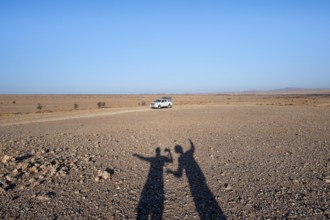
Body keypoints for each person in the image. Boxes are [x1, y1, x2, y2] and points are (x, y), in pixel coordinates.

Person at [167, 139, 226, 220]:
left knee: (200, 201)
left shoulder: (181, 158)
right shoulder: (188, 154)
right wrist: (191, 142)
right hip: (201, 177)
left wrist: (171, 172)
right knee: (209, 196)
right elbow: (192, 149)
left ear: (177, 151)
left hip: (192, 181)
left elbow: (179, 173)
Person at [133, 147, 172, 220]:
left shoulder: (154, 158)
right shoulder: (161, 158)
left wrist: (137, 156)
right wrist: (169, 153)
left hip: (153, 178)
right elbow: (170, 161)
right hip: (159, 179)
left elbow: (144, 158)